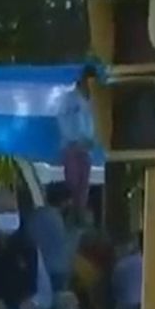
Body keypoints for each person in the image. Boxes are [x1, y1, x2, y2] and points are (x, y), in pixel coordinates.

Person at [57, 66, 97, 218]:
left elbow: (96, 124)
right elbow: (62, 120)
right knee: (73, 183)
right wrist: (72, 140)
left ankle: (80, 213)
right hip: (71, 146)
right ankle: (70, 212)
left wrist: (91, 140)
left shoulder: (95, 100)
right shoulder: (69, 98)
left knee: (83, 186)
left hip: (86, 148)